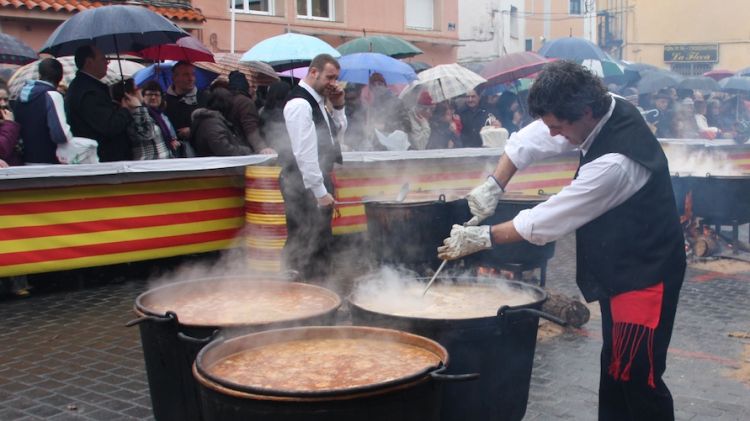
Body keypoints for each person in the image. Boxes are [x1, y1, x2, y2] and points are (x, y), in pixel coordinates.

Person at [438, 61, 685, 421]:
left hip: (646, 275)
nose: (554, 136)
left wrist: (481, 236)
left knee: (638, 375)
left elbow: (549, 219)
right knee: (615, 367)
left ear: (584, 113)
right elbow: (531, 138)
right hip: (621, 270)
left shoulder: (617, 162)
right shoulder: (599, 104)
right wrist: (495, 184)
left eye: (559, 127)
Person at [280, 53, 346, 281]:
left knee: (320, 240)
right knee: (304, 240)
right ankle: (297, 293)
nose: (333, 83)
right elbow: (304, 153)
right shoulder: (299, 104)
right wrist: (319, 192)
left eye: (336, 78)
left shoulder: (318, 102)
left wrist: (338, 106)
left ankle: (317, 291)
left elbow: (335, 135)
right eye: (330, 77)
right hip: (302, 183)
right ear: (313, 72)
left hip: (315, 179)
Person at [65, 45, 139, 162]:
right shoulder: (88, 91)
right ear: (89, 62)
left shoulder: (85, 86)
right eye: (103, 59)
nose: (107, 63)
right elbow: (109, 125)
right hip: (103, 158)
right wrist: (125, 110)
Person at [13, 58, 73, 164]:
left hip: (25, 161)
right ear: (60, 76)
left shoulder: (20, 96)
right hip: (49, 161)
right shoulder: (52, 95)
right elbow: (61, 135)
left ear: (40, 74)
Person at [190, 87, 252, 157]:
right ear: (226, 105)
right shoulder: (212, 123)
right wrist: (245, 150)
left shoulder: (209, 120)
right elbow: (224, 149)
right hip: (216, 165)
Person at [227, 71, 274, 154]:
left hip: (234, 147)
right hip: (246, 149)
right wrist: (261, 148)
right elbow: (250, 127)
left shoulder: (228, 99)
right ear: (245, 86)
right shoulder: (245, 103)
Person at [164, 61, 202, 144]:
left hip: (198, 151)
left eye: (193, 74)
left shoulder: (203, 97)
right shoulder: (164, 100)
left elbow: (210, 124)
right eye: (186, 75)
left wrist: (192, 130)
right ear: (174, 78)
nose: (191, 78)